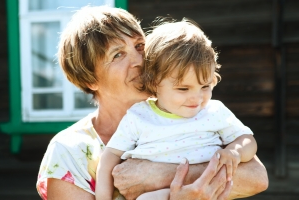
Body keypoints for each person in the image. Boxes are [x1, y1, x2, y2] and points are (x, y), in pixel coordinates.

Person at [36, 5, 268, 200]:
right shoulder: (69, 151)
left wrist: (162, 174)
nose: (139, 60)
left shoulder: (194, 111)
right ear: (90, 79)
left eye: (139, 46)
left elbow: (256, 177)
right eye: (118, 54)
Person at [95, 20, 257, 200]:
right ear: (155, 81)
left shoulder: (214, 112)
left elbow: (247, 140)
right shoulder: (139, 116)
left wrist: (235, 151)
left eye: (205, 86)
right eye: (183, 89)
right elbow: (111, 155)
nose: (197, 98)